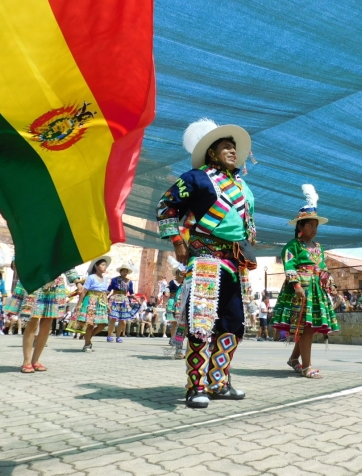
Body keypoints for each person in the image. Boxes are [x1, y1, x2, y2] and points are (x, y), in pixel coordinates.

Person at [156, 118, 257, 408]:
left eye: (234, 148)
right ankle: (195, 386)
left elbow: (246, 221)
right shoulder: (196, 178)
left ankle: (218, 382)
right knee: (201, 324)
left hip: (234, 263)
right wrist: (177, 242)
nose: (232, 152)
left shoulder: (242, 184)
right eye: (226, 147)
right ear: (211, 153)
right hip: (205, 259)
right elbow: (166, 206)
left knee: (233, 324)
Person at [272, 184, 339, 379]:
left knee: (311, 326)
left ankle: (294, 359)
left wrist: (331, 285)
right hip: (300, 291)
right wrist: (297, 286)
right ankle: (306, 367)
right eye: (310, 225)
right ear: (300, 226)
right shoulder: (293, 245)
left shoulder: (319, 247)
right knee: (306, 327)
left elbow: (323, 268)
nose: (314, 228)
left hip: (316, 291)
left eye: (316, 225)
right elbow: (289, 266)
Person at [19, 264, 81, 372]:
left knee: (47, 324)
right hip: (35, 282)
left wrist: (77, 282)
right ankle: (27, 361)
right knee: (33, 322)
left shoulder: (60, 247)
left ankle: (35, 360)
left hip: (54, 286)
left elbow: (66, 263)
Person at [75, 256, 111, 353]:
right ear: (96, 266)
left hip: (101, 302)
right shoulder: (91, 277)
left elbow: (104, 293)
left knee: (102, 324)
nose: (105, 267)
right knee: (90, 324)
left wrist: (107, 305)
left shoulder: (105, 278)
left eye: (105, 265)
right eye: (102, 265)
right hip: (91, 301)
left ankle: (88, 337)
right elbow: (84, 291)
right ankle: (87, 344)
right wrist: (79, 304)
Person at [106, 264, 140, 343]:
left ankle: (118, 336)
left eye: (126, 271)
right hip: (115, 299)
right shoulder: (114, 280)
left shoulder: (129, 282)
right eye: (123, 271)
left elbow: (131, 292)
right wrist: (105, 297)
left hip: (124, 300)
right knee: (113, 318)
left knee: (122, 320)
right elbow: (109, 289)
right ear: (120, 272)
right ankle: (109, 335)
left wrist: (137, 300)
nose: (125, 273)